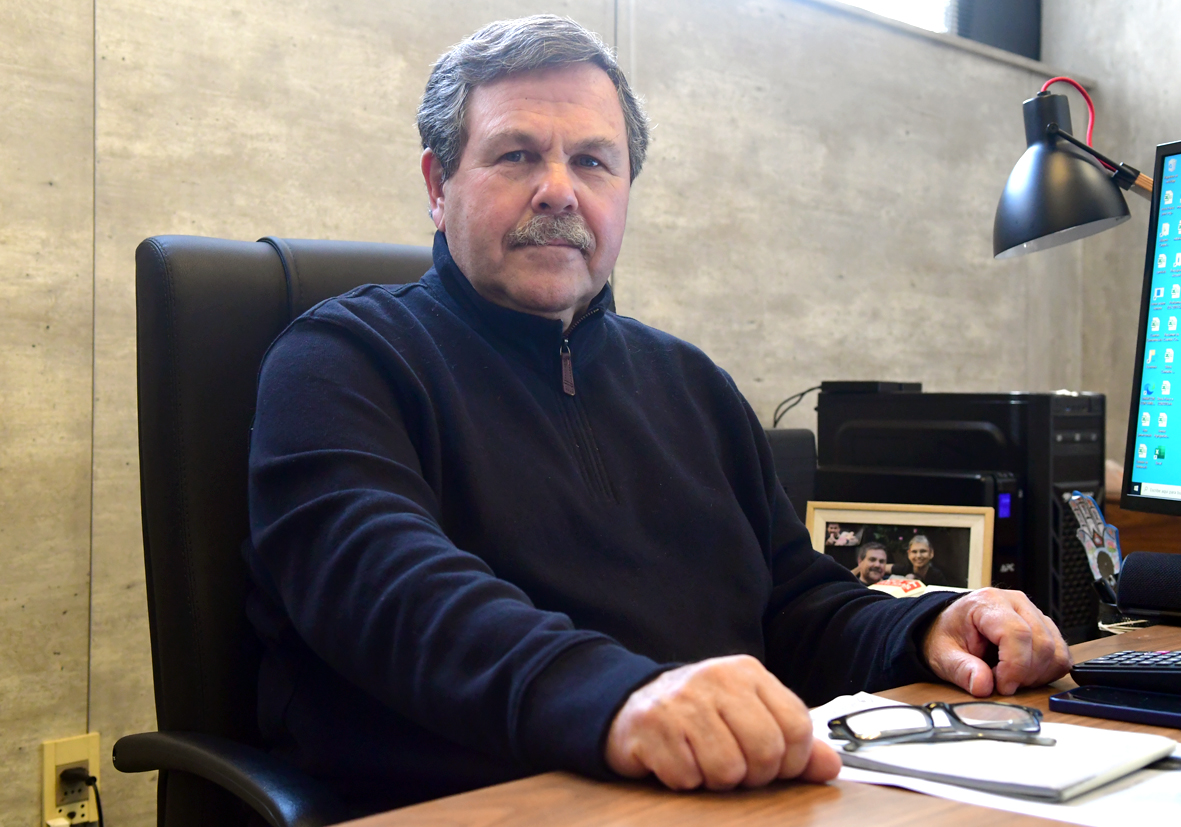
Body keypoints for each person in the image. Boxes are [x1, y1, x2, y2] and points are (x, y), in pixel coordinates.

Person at [244, 14, 1071, 816]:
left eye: (594, 162)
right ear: (437, 184)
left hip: (718, 797)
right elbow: (394, 596)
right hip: (479, 802)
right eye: (516, 154)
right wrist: (624, 697)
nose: (559, 190)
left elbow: (794, 606)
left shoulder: (690, 383)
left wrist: (928, 624)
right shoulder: (340, 360)